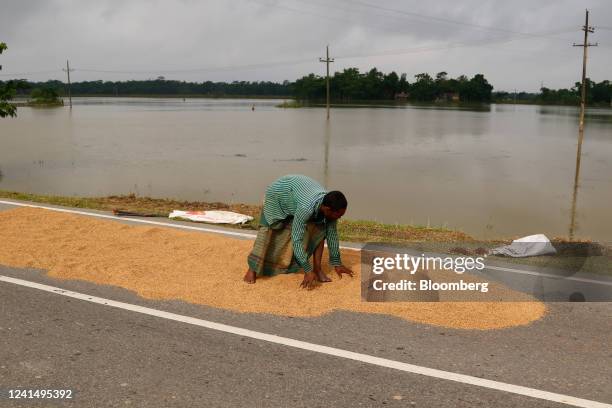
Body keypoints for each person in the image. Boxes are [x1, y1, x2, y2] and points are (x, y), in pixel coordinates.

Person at [244, 174, 353, 289]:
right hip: (277, 194)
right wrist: (307, 270)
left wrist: (337, 263)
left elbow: (332, 235)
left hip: (296, 195)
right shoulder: (305, 208)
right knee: (266, 232)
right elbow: (297, 239)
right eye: (338, 215)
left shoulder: (329, 203)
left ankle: (317, 269)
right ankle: (252, 270)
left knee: (320, 230)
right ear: (327, 209)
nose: (339, 218)